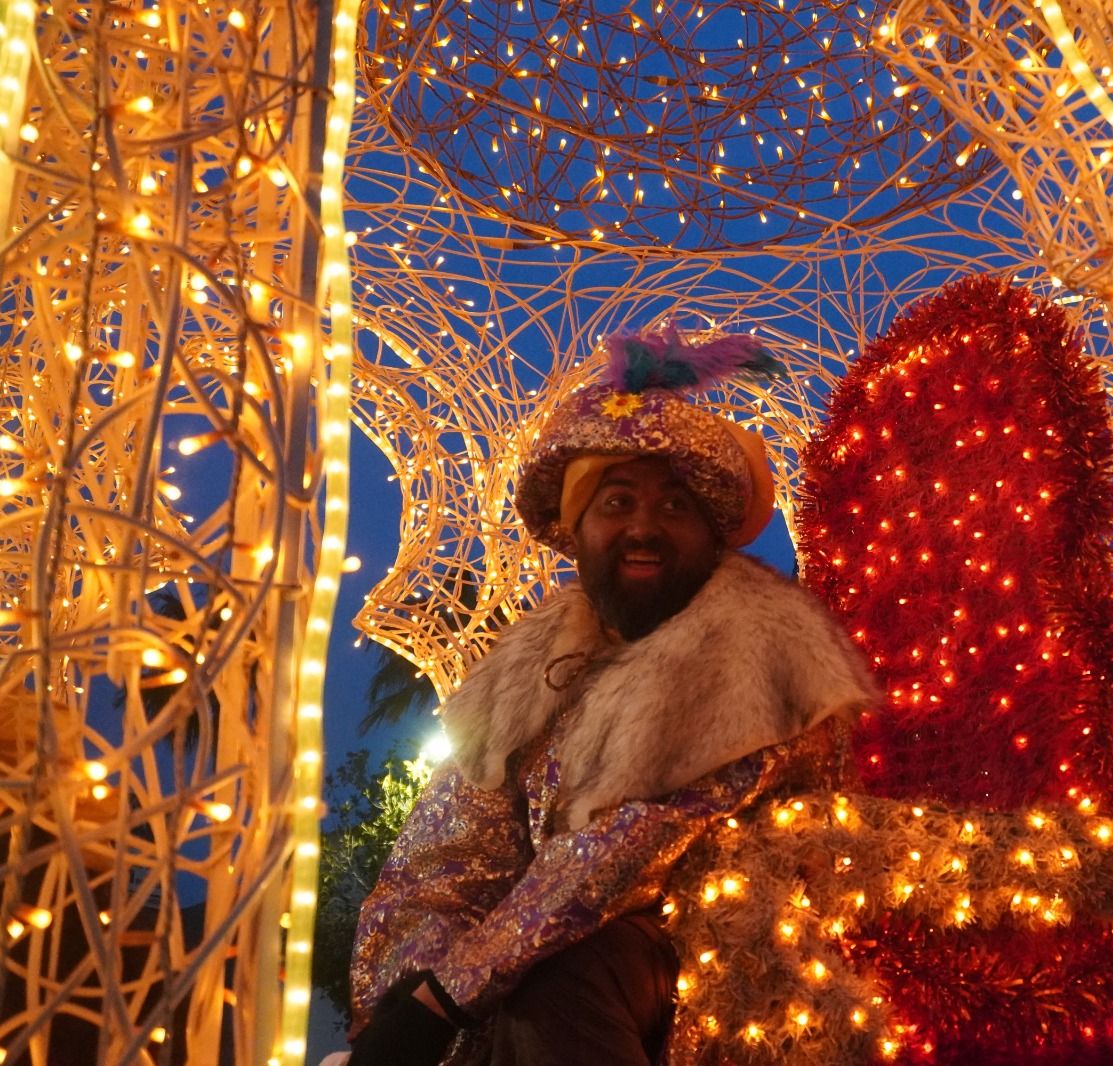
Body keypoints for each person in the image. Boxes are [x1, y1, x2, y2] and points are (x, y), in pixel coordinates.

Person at [344, 325, 877, 1066]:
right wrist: (413, 995)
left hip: (726, 969)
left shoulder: (767, 662)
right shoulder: (529, 675)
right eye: (617, 501)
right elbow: (438, 866)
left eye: (673, 506)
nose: (642, 528)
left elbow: (627, 846)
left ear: (712, 532)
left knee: (563, 975)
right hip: (530, 973)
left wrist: (448, 995)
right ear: (577, 527)